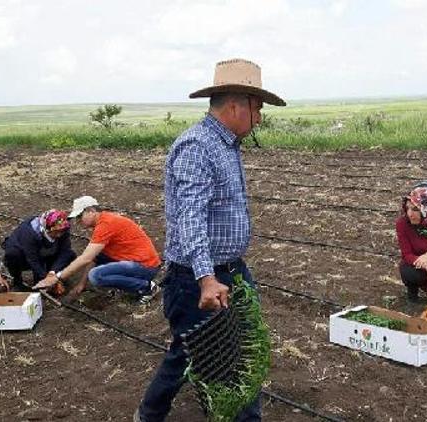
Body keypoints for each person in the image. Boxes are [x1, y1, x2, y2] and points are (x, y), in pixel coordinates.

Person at [135, 58, 286, 422]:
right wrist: (206, 278)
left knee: (239, 348)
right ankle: (151, 413)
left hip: (230, 271)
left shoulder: (226, 145)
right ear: (236, 106)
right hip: (197, 278)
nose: (260, 118)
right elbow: (191, 218)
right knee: (191, 353)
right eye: (258, 109)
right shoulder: (197, 146)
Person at [33, 196, 161, 303]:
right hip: (139, 261)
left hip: (145, 266)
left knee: (96, 276)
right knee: (99, 260)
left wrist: (57, 277)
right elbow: (94, 258)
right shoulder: (104, 222)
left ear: (91, 211)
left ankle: (147, 287)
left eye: (79, 216)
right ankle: (131, 282)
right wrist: (81, 285)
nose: (78, 222)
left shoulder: (106, 225)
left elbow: (85, 258)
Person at [2, 209, 76, 294]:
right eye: (55, 232)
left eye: (61, 232)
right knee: (13, 254)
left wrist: (53, 273)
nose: (59, 235)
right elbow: (33, 259)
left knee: (70, 255)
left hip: (46, 253)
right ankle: (17, 282)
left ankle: (53, 277)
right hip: (25, 255)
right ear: (47, 229)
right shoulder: (29, 232)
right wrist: (45, 278)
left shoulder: (63, 228)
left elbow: (65, 251)